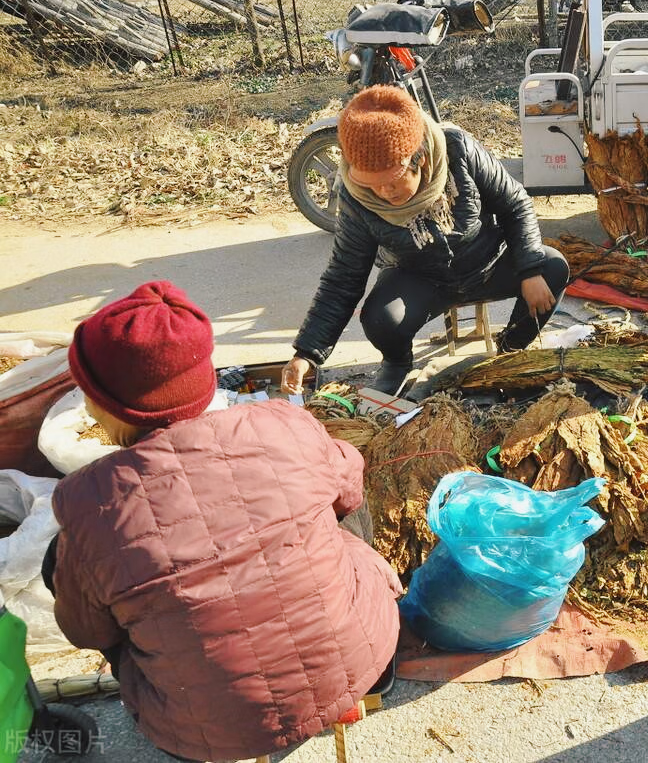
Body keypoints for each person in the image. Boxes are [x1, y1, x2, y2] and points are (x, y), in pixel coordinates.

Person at [47, 281, 402, 762]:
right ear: (206, 380)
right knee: (337, 487)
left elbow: (87, 634)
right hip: (361, 663)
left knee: (64, 565)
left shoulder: (87, 503)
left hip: (206, 731)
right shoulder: (284, 424)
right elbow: (350, 491)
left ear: (102, 404)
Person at [281, 85, 570, 396]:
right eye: (371, 186)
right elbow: (343, 277)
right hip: (420, 277)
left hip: (486, 260)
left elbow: (515, 203)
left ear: (418, 157)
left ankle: (510, 349)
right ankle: (397, 363)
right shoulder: (356, 198)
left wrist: (529, 270)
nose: (383, 194)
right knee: (380, 319)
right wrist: (306, 353)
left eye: (391, 181)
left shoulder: (456, 150)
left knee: (552, 268)